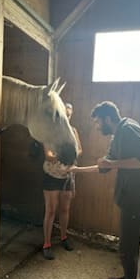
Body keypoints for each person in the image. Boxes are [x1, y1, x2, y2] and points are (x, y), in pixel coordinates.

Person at [71, 101, 140, 279]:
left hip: (139, 198)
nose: (97, 127)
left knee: (129, 247)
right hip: (130, 198)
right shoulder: (117, 136)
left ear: (107, 118)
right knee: (125, 245)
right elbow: (104, 166)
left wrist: (114, 163)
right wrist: (75, 170)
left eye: (97, 123)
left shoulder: (129, 129)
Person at [42, 102, 82, 260]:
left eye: (69, 114)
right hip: (52, 175)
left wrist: (72, 153)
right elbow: (48, 155)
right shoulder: (48, 133)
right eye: (64, 114)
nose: (67, 117)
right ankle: (46, 244)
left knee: (65, 209)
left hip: (68, 175)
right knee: (51, 210)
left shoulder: (73, 131)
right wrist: (63, 155)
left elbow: (79, 149)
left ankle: (64, 237)